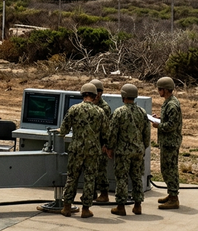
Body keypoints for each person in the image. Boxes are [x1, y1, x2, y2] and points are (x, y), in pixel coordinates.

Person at [55, 83, 108, 218]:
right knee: (90, 178)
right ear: (95, 95)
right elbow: (106, 134)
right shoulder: (100, 112)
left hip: (76, 149)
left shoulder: (74, 109)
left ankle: (67, 207)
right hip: (93, 151)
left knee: (72, 177)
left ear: (83, 94)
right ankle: (85, 209)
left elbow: (64, 129)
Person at [106, 84, 150, 215]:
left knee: (122, 178)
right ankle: (137, 205)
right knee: (137, 177)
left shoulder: (119, 112)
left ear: (123, 96)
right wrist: (143, 147)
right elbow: (146, 135)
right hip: (138, 151)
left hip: (123, 152)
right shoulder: (142, 112)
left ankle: (121, 206)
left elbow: (113, 133)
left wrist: (109, 147)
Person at [152, 76, 183, 209]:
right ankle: (171, 194)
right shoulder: (168, 102)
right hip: (167, 142)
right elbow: (168, 120)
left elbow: (172, 125)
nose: (159, 91)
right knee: (166, 169)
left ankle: (174, 198)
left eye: (160, 89)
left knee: (170, 170)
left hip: (170, 143)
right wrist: (159, 119)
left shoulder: (172, 104)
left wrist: (159, 125)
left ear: (165, 89)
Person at [90, 79, 112, 203]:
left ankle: (104, 194)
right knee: (90, 169)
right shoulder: (89, 105)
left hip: (100, 143)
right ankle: (91, 193)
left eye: (97, 92)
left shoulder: (104, 108)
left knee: (101, 170)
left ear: (101, 93)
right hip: (90, 143)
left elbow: (106, 129)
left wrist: (106, 144)